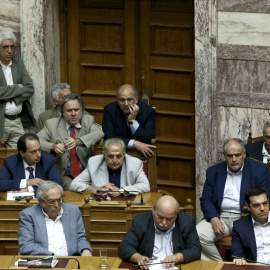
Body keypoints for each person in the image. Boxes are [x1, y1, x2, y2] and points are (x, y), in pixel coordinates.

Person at [197, 138, 270, 261]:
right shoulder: (213, 171)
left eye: (237, 155)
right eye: (230, 156)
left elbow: (266, 198)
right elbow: (206, 200)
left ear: (244, 154)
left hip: (247, 218)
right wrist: (214, 218)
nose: (234, 159)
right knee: (198, 235)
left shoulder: (259, 170)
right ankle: (220, 265)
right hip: (221, 218)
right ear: (224, 155)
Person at [37, 94, 104, 190]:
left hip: (85, 172)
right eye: (69, 110)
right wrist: (52, 146)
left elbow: (99, 133)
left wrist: (78, 141)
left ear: (81, 110)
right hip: (63, 173)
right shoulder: (51, 124)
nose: (73, 113)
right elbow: (36, 140)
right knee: (74, 188)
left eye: (76, 110)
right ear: (62, 112)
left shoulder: (88, 120)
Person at [118, 195, 201, 269]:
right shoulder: (140, 222)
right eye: (160, 217)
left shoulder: (187, 222)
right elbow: (124, 247)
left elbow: (195, 249)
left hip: (176, 267)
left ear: (176, 216)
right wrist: (138, 257)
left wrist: (177, 257)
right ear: (153, 210)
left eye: (169, 219)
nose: (164, 223)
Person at [18, 181, 92, 256]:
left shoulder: (73, 211)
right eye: (51, 201)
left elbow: (80, 238)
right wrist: (53, 257)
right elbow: (26, 246)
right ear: (41, 202)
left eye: (59, 200)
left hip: (71, 262)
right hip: (42, 262)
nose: (57, 205)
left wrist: (85, 249)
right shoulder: (28, 215)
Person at [69, 138, 150, 196]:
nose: (115, 160)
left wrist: (121, 191)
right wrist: (94, 190)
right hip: (100, 206)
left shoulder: (135, 163)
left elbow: (145, 186)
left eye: (118, 156)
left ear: (124, 155)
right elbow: (74, 184)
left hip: (126, 206)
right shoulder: (94, 162)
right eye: (110, 156)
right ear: (104, 155)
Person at [0, 30, 35, 147]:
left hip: (16, 121)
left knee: (21, 154)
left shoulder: (18, 62)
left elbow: (30, 88)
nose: (9, 51)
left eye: (12, 47)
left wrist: (12, 97)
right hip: (1, 120)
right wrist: (17, 87)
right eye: (5, 47)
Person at [102, 84, 156, 158]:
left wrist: (132, 121)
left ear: (136, 99)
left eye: (130, 100)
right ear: (117, 99)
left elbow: (148, 138)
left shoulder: (148, 111)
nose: (126, 104)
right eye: (122, 100)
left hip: (141, 155)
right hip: (116, 155)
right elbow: (109, 137)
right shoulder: (109, 110)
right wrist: (134, 143)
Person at [231, 186, 270, 266]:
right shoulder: (239, 226)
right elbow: (237, 252)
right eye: (256, 205)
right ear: (248, 206)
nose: (262, 208)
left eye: (265, 203)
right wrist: (238, 258)